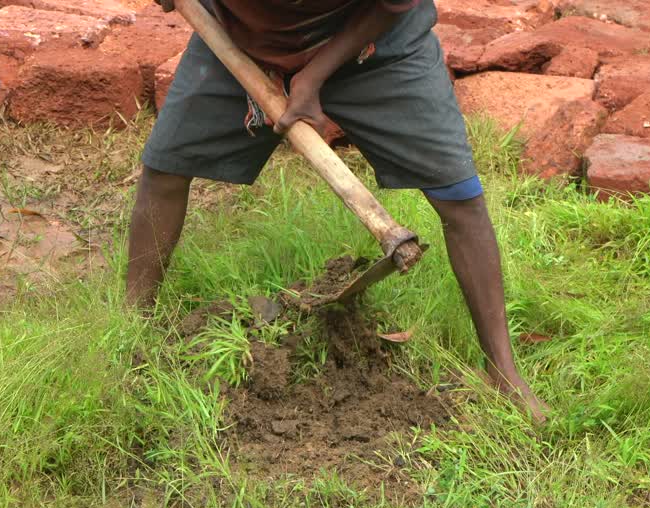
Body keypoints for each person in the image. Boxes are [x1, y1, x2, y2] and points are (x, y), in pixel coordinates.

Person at [126, 0, 549, 423]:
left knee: (459, 194)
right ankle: (131, 333)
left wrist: (312, 75)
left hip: (378, 43)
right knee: (165, 169)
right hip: (240, 39)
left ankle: (502, 371)